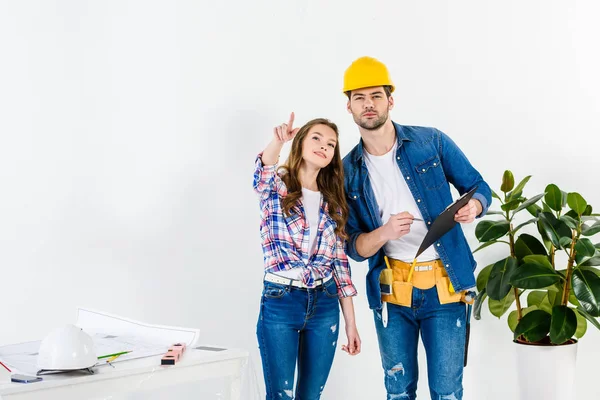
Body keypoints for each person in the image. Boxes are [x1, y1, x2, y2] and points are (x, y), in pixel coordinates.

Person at [341, 56, 492, 400]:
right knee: (398, 391)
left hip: (445, 287)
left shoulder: (431, 142)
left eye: (376, 96)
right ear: (348, 105)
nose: (369, 104)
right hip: (392, 293)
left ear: (390, 101)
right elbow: (354, 247)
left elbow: (478, 185)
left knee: (448, 393)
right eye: (360, 97)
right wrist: (384, 233)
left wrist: (475, 205)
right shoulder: (347, 171)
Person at [253, 112, 361, 400]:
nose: (324, 146)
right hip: (281, 302)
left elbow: (340, 266)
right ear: (299, 143)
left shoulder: (333, 202)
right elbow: (262, 173)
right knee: (281, 395)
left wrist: (351, 323)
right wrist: (277, 142)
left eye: (331, 144)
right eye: (317, 138)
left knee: (311, 396)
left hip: (324, 305)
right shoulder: (277, 186)